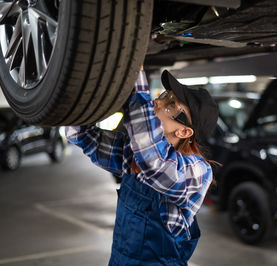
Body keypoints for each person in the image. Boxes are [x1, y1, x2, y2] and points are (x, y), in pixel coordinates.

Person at [65, 68, 219, 265]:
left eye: (171, 105)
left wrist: (133, 70)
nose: (158, 102)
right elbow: (80, 135)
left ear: (184, 132)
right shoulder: (135, 154)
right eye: (164, 95)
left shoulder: (198, 171)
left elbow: (153, 159)